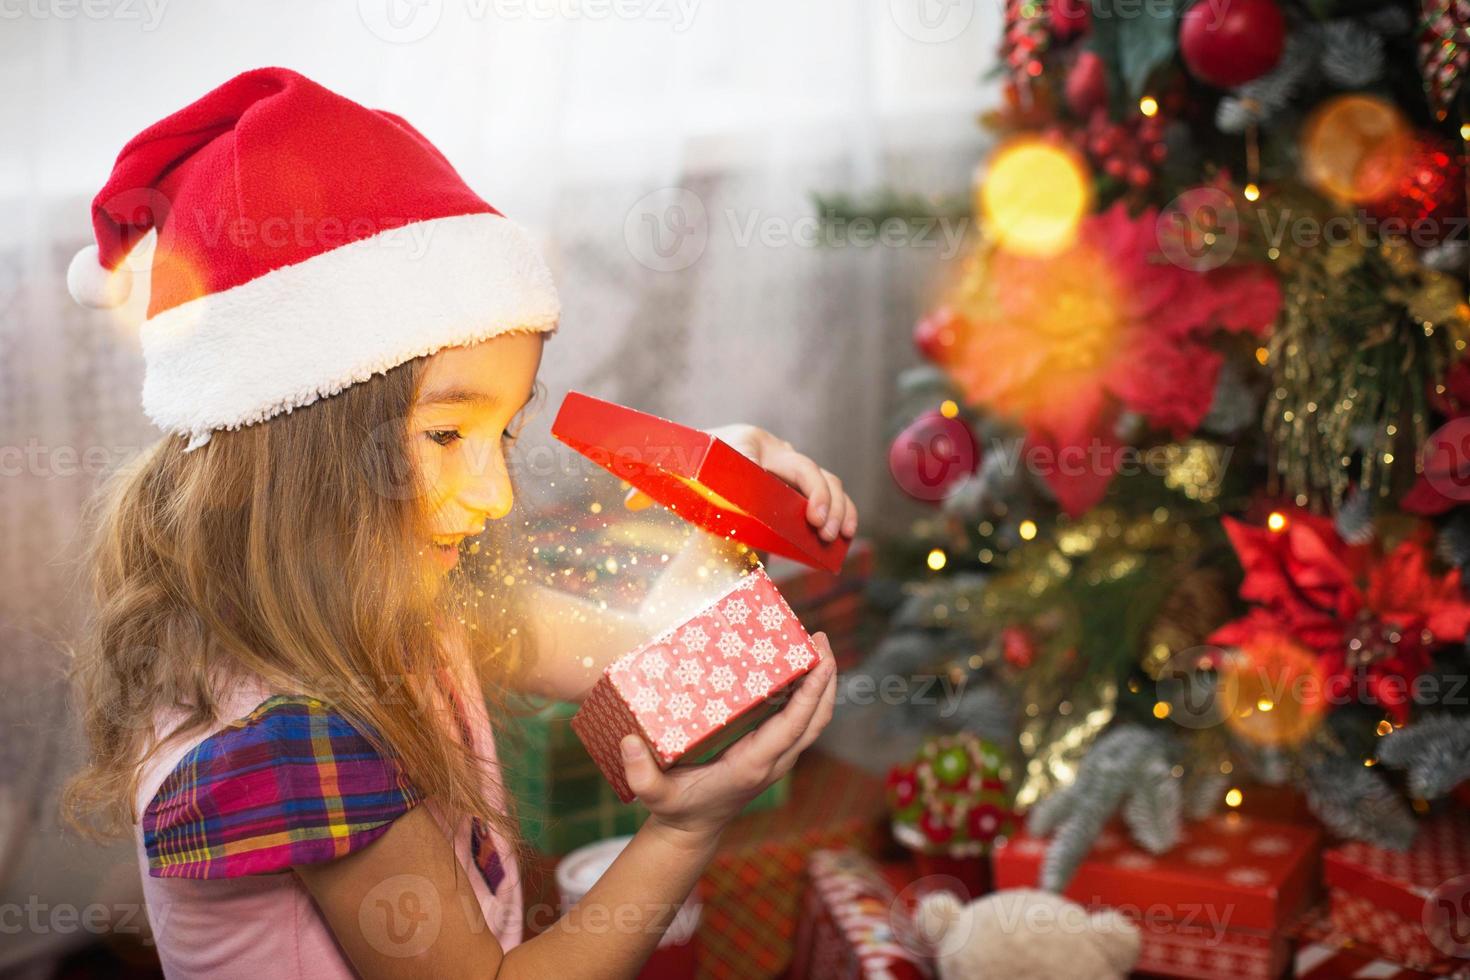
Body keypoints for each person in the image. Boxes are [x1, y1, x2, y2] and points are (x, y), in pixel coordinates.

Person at [61, 67, 857, 979]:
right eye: (445, 433)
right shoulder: (298, 729)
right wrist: (688, 828)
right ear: (296, 452)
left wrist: (720, 493)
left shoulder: (396, 601)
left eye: (503, 434)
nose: (496, 495)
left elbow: (654, 655)